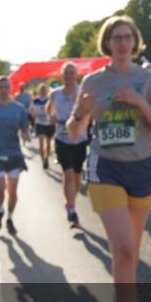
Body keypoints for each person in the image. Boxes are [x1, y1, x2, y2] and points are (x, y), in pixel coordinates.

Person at [67, 15, 151, 302]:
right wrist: (81, 114)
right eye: (117, 37)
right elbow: (74, 131)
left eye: (129, 37)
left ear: (136, 42)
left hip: (143, 167)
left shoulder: (147, 80)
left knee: (131, 250)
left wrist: (140, 103)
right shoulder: (93, 81)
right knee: (124, 249)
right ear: (107, 43)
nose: (124, 43)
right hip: (106, 167)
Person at [0, 76, 31, 233]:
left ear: (10, 89)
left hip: (14, 153)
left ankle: (9, 217)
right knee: (0, 187)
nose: (3, 90)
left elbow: (24, 128)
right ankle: (0, 209)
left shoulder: (19, 108)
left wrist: (26, 135)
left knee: (13, 191)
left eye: (6, 87)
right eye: (0, 87)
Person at [48, 62, 88, 228]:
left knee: (77, 176)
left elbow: (89, 110)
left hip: (79, 138)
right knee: (68, 173)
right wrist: (52, 117)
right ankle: (72, 209)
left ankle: (71, 201)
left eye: (72, 72)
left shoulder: (82, 92)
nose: (69, 75)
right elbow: (49, 110)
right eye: (67, 73)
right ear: (62, 75)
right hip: (62, 139)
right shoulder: (55, 94)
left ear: (76, 75)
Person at [32, 83, 54, 169]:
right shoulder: (35, 100)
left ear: (47, 90)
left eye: (44, 89)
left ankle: (46, 158)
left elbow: (54, 109)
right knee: (41, 141)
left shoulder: (50, 99)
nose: (43, 91)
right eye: (41, 89)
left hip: (49, 124)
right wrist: (34, 114)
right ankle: (43, 161)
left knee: (48, 142)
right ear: (39, 91)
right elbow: (32, 110)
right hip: (39, 123)